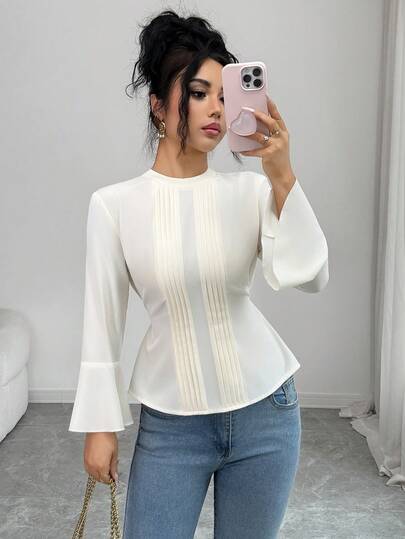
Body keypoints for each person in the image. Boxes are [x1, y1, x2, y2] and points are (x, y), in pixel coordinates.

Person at [68, 8, 329, 539]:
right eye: (198, 93)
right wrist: (100, 426)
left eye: (223, 96)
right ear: (158, 105)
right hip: (172, 426)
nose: (216, 109)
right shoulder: (114, 206)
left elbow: (310, 275)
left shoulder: (250, 191)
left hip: (266, 414)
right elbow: (102, 325)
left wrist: (281, 174)